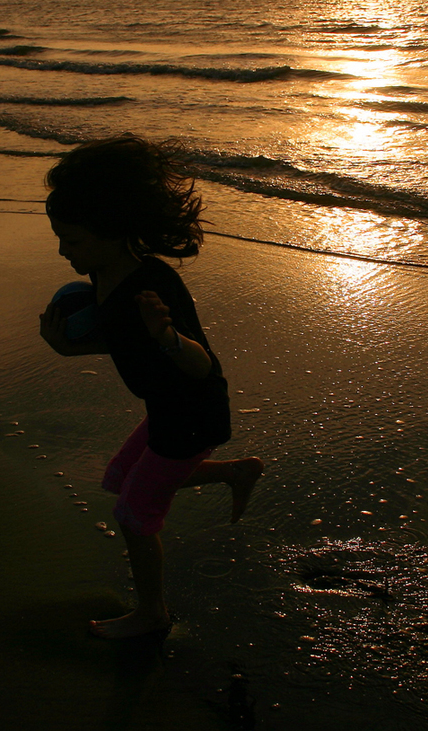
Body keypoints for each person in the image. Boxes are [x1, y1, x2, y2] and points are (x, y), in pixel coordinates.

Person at [39, 135, 263, 639]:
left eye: (72, 241)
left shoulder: (149, 287)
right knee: (121, 478)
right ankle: (235, 472)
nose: (63, 250)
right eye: (60, 238)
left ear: (114, 232)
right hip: (166, 408)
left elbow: (201, 365)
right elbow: (124, 342)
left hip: (191, 413)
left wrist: (166, 337)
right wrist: (68, 348)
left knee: (134, 515)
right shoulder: (104, 275)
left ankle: (152, 615)